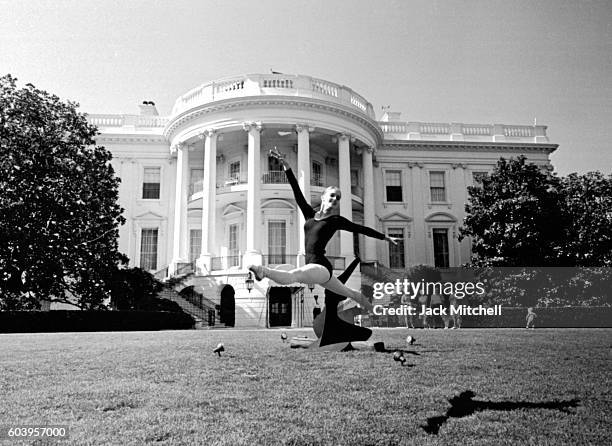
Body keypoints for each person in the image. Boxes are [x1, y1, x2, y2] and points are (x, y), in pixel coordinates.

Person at [248, 148, 399, 311]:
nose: (335, 199)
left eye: (338, 198)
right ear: (323, 197)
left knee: (294, 275)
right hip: (316, 269)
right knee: (347, 292)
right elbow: (297, 193)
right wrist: (286, 166)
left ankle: (263, 271)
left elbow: (360, 228)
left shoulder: (335, 221)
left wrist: (385, 237)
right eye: (333, 195)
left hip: (321, 267)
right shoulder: (309, 215)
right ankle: (364, 301)